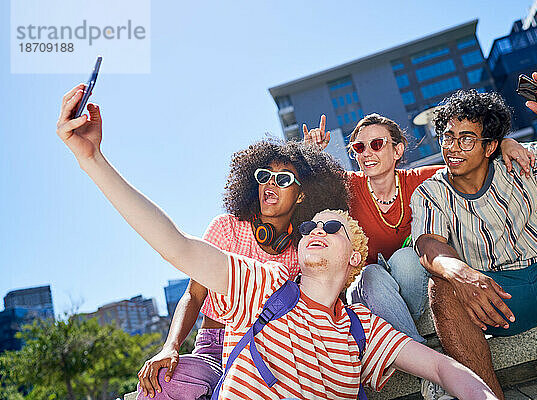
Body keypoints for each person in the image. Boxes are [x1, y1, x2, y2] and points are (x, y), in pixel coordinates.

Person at [56, 87, 499, 400]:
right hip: (222, 343)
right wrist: (92, 159)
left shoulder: (363, 328)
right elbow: (175, 246)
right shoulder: (259, 284)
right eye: (310, 230)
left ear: (355, 260)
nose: (315, 233)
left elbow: (443, 368)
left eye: (331, 229)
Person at [54, 86, 348, 400]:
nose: (271, 185)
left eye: (285, 179)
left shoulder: (306, 247)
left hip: (276, 354)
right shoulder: (226, 228)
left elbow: (340, 230)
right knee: (164, 381)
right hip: (213, 348)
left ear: (302, 194)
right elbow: (193, 295)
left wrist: (314, 157)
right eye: (264, 176)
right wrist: (170, 346)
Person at [410, 72, 537, 399]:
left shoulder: (521, 159)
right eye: (447, 136)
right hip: (499, 297)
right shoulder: (431, 191)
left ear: (491, 146)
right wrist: (461, 273)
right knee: (440, 285)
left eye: (466, 139)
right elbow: (429, 243)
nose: (453, 148)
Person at [303, 114, 533, 343]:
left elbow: (470, 163)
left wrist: (505, 142)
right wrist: (311, 153)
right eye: (359, 147)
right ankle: (422, 349)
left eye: (376, 144)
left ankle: (409, 347)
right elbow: (305, 187)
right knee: (371, 273)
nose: (367, 153)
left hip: (413, 280)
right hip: (367, 292)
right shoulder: (348, 186)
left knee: (408, 257)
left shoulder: (423, 180)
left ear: (398, 150)